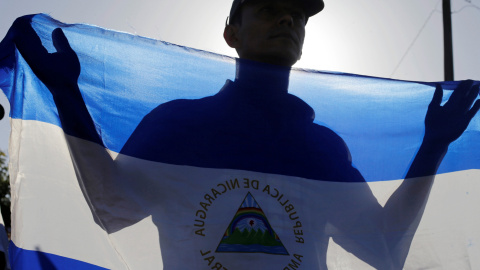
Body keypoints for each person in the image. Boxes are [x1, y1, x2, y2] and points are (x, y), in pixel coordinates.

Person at [8, 0, 480, 269]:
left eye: (297, 13)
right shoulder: (179, 125)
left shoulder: (320, 147)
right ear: (231, 31)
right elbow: (114, 208)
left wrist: (434, 145)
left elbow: (384, 248)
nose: (287, 19)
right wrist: (66, 95)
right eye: (270, 8)